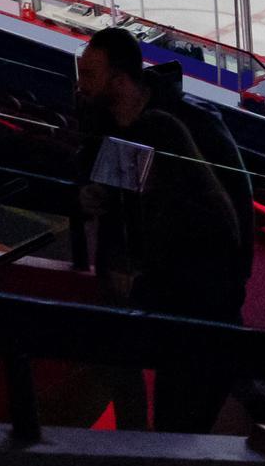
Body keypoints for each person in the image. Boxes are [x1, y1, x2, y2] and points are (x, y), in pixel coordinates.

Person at [75, 28, 247, 431]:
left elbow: (233, 207)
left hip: (195, 299)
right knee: (123, 377)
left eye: (89, 75)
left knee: (180, 419)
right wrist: (84, 197)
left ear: (119, 81)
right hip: (139, 289)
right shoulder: (105, 121)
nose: (80, 84)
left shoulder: (192, 125)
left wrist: (228, 284)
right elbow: (107, 194)